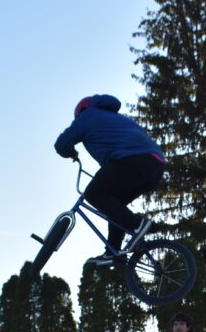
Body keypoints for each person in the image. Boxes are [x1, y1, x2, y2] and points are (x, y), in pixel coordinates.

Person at [53, 94, 166, 265]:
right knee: (115, 206)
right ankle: (114, 252)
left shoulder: (87, 116)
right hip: (155, 165)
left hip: (132, 160)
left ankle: (138, 224)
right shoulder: (117, 117)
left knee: (93, 194)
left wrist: (72, 153)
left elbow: (61, 144)